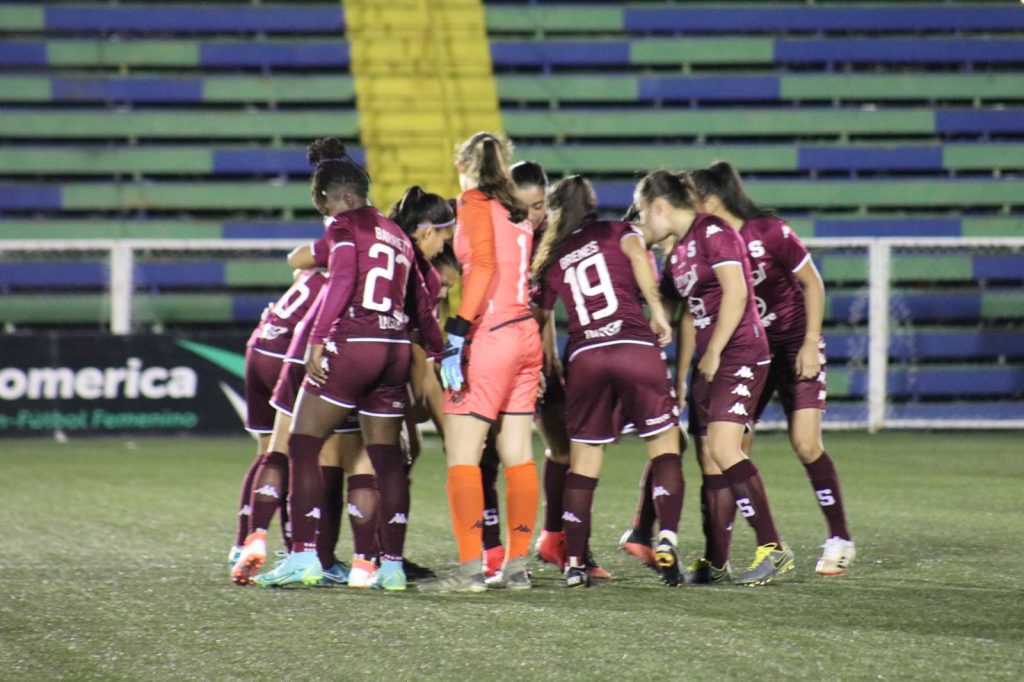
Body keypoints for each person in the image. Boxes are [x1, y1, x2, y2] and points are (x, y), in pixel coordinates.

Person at [254, 137, 443, 590]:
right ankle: (391, 567)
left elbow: (340, 282)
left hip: (352, 343)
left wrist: (318, 340)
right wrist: (438, 349)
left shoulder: (343, 227)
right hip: (394, 348)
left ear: (333, 198)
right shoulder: (397, 233)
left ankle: (303, 557)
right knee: (387, 459)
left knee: (302, 444)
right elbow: (421, 297)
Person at [692, 161, 854, 576]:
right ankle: (726, 556)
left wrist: (810, 343)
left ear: (711, 200)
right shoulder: (710, 243)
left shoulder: (769, 232)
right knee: (731, 452)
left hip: (792, 349)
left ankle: (839, 538)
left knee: (805, 443)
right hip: (751, 352)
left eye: (693, 200)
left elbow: (812, 284)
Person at [635, 169, 794, 586]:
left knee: (725, 449)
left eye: (643, 214)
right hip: (712, 359)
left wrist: (717, 351)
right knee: (710, 459)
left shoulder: (713, 231)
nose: (643, 222)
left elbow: (738, 292)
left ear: (660, 206)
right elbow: (679, 308)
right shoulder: (682, 249)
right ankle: (716, 562)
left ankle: (773, 549)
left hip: (740, 351)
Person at [532, 176, 685, 588]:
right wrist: (655, 309)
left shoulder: (553, 254)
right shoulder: (620, 230)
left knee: (583, 464)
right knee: (665, 446)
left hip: (585, 357)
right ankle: (666, 538)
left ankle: (576, 562)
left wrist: (545, 363)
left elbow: (539, 317)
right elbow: (638, 257)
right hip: (634, 344)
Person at [420, 132, 542, 593]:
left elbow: (484, 268)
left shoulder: (472, 201)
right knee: (518, 453)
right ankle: (517, 568)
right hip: (525, 335)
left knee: (463, 454)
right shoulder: (518, 211)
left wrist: (456, 332)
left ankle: (471, 571)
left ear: (465, 166)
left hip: (490, 335)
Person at [230, 267, 327, 573]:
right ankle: (293, 547)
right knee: (297, 452)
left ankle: (243, 542)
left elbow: (296, 260)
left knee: (266, 450)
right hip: (287, 356)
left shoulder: (312, 267)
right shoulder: (346, 269)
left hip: (259, 344)